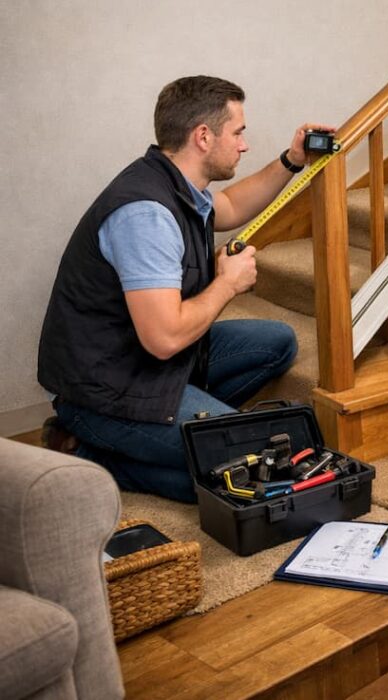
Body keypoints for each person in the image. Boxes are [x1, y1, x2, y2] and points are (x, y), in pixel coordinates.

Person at [38, 75, 335, 502]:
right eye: (238, 133)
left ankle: (183, 426)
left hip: (144, 365)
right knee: (246, 476)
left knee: (278, 342)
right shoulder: (147, 215)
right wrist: (226, 284)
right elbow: (164, 339)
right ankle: (93, 454)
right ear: (202, 137)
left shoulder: (175, 184)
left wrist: (292, 160)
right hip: (108, 389)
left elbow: (231, 206)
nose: (244, 145)